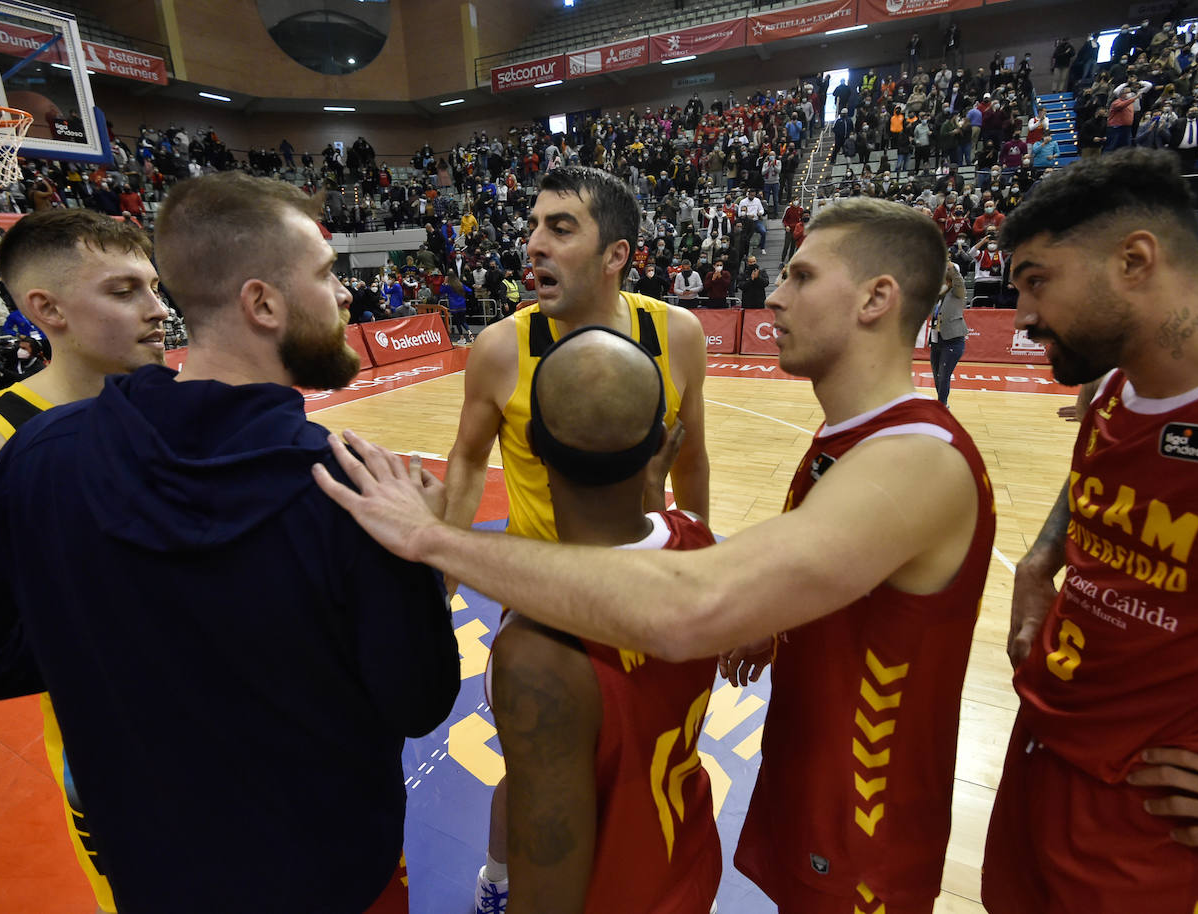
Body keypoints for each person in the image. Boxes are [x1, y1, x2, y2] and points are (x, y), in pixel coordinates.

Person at [316, 197, 997, 914]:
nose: (774, 292)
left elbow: (689, 607)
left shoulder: (915, 459)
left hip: (864, 826)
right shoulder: (844, 444)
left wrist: (431, 538)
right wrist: (777, 612)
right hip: (792, 805)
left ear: (876, 298)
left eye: (799, 274)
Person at [0, 172, 461, 912]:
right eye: (328, 275)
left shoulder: (45, 453)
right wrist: (428, 571)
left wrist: (89, 636)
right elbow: (417, 702)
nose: (346, 296)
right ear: (262, 303)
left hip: (157, 878)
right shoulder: (354, 489)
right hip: (333, 875)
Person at [987, 149, 1198, 912]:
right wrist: (1041, 558)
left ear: (1135, 259)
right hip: (1048, 755)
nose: (1021, 316)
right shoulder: (1118, 385)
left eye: (1037, 280)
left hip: (1168, 831)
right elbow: (1101, 484)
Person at [439, 166, 709, 913]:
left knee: (647, 770)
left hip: (647, 595)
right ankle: (498, 877)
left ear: (616, 254)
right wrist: (442, 583)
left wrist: (704, 567)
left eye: (560, 228)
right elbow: (464, 462)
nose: (533, 245)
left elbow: (693, 462)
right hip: (548, 613)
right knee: (533, 779)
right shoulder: (501, 347)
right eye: (533, 226)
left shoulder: (676, 334)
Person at [0, 208, 172, 911]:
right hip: (115, 744)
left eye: (154, 287)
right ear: (44, 309)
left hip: (229, 709)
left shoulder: (179, 401)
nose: (157, 309)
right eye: (124, 292)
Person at [491, 325, 721, 914]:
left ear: (532, 445)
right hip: (689, 866)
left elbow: (547, 898)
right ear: (655, 447)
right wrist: (653, 492)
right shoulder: (697, 543)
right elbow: (648, 546)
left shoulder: (540, 647)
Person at [928, 259, 968, 407]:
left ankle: (942, 404)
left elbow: (959, 282)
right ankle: (942, 403)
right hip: (937, 339)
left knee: (944, 376)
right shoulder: (940, 294)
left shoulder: (957, 292)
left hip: (952, 340)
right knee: (937, 374)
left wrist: (951, 266)